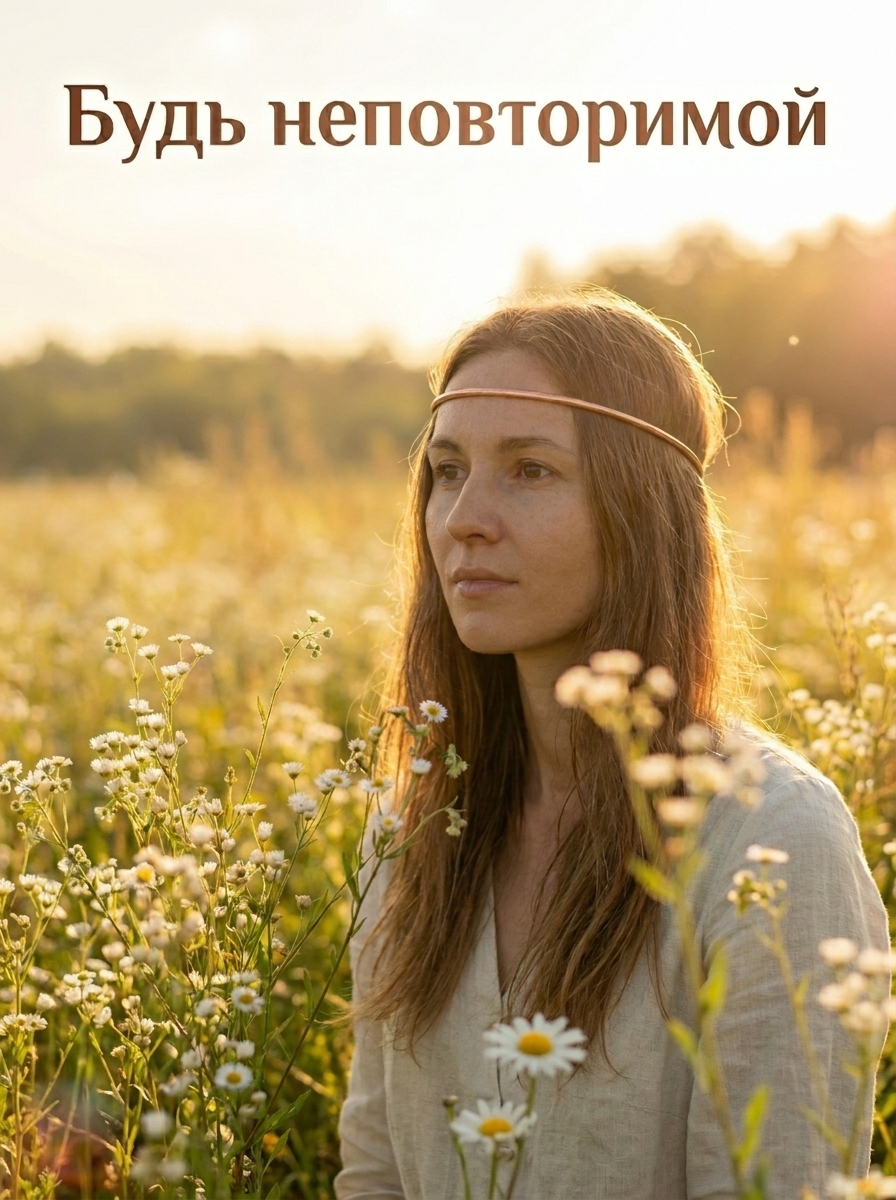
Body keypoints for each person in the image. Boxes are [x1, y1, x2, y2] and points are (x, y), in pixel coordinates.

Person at [333, 292, 889, 1199]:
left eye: (530, 470)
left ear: (642, 508)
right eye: (446, 470)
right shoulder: (410, 825)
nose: (464, 516)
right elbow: (376, 1173)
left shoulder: (770, 837)